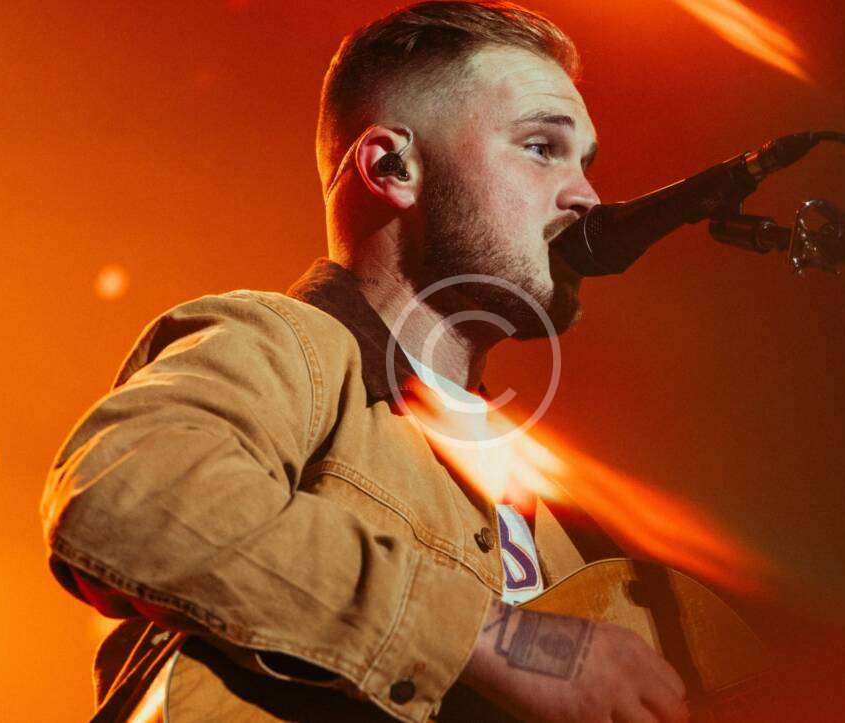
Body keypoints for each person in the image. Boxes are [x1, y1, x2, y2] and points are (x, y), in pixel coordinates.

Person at [40, 2, 688, 721]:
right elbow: (131, 493)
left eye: (585, 163)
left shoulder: (564, 516)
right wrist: (503, 643)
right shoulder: (285, 343)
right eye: (541, 147)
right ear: (392, 166)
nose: (586, 196)